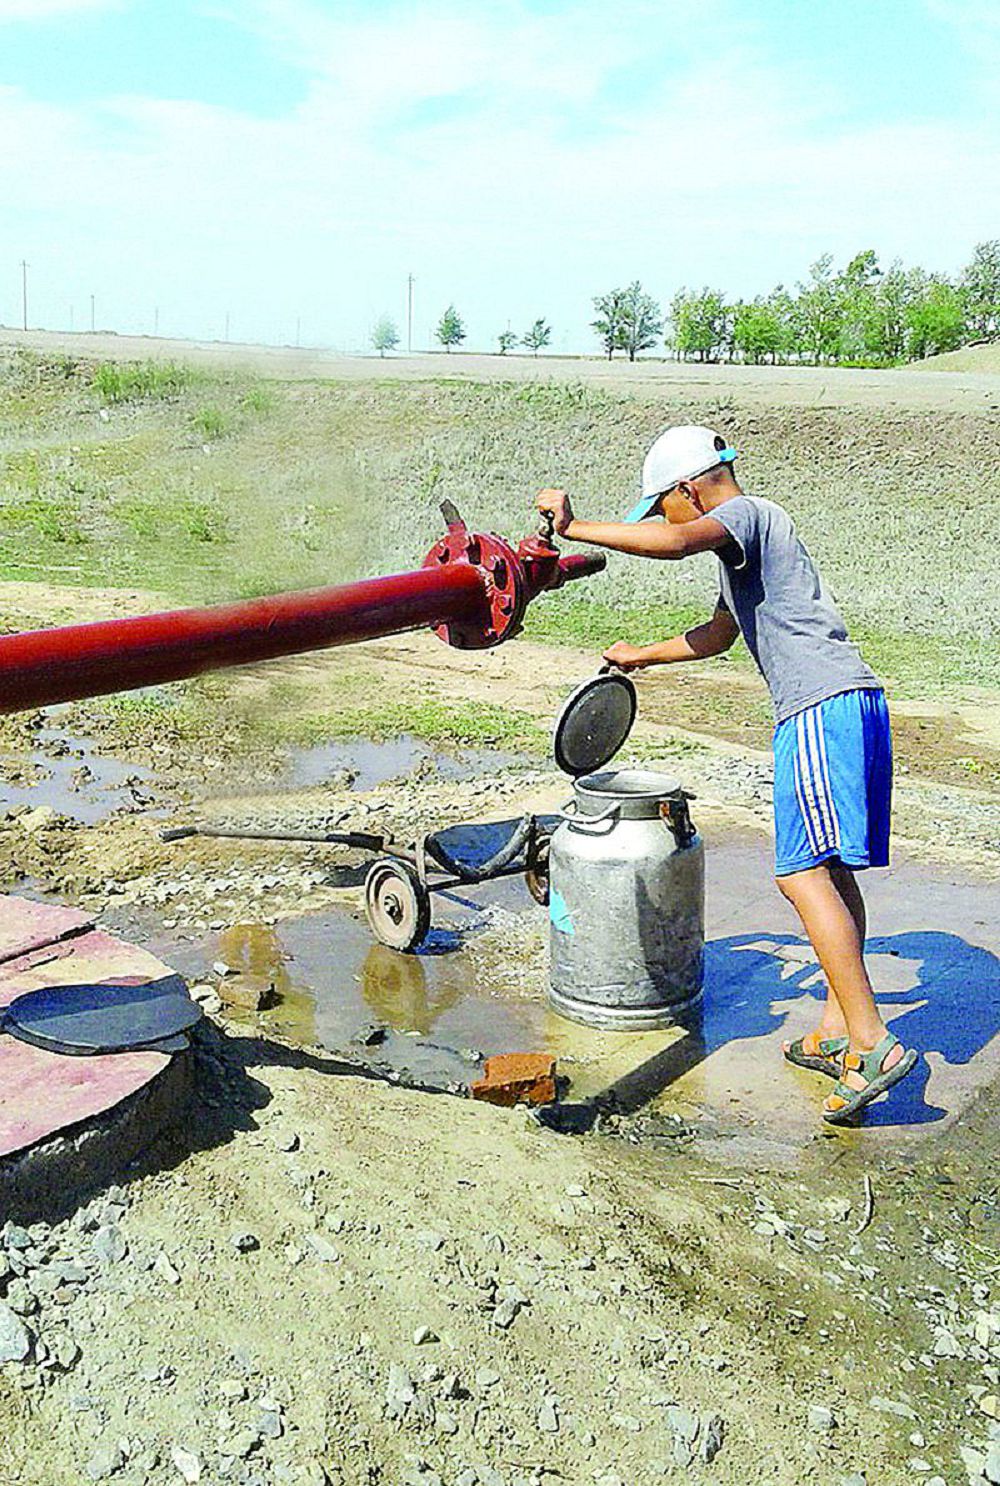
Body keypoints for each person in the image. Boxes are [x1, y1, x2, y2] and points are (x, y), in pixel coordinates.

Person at [536, 424, 917, 1125]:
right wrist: (641, 655)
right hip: (854, 699)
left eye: (662, 506)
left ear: (690, 488)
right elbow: (718, 635)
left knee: (799, 874)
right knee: (830, 873)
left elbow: (679, 540)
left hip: (816, 707)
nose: (665, 519)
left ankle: (874, 1044)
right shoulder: (750, 541)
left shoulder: (740, 515)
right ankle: (838, 1029)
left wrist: (576, 527)